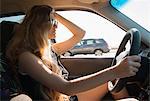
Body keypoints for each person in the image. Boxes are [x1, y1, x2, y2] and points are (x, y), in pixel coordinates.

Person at [6, 5, 141, 101]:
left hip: (64, 97)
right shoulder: (26, 57)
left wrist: (54, 14)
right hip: (65, 95)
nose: (56, 25)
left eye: (56, 21)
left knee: (112, 83)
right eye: (52, 21)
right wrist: (116, 71)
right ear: (38, 25)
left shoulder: (50, 50)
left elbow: (79, 34)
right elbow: (67, 88)